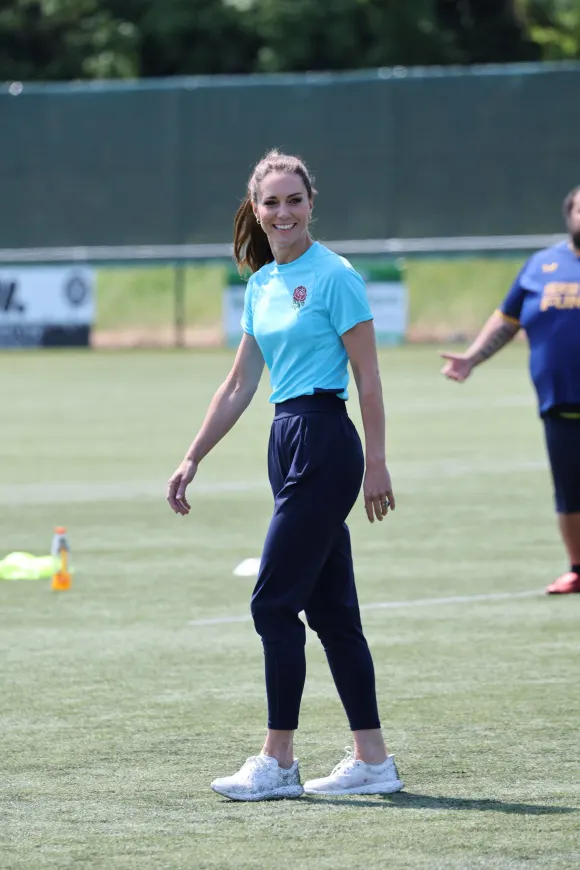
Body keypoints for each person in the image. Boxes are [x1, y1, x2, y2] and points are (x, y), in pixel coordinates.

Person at [167, 150, 404, 801]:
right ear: (256, 208)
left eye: (294, 199)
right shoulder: (262, 284)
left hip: (327, 442)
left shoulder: (336, 277)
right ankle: (374, 762)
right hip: (286, 439)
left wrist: (378, 460)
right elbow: (241, 382)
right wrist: (193, 456)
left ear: (311, 203)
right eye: (271, 202)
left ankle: (277, 761)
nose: (283, 212)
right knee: (331, 611)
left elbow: (370, 378)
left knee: (272, 602)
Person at [441, 185, 580, 596]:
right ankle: (577, 567)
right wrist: (470, 358)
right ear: (568, 214)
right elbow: (507, 319)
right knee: (569, 493)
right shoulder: (542, 266)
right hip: (560, 404)